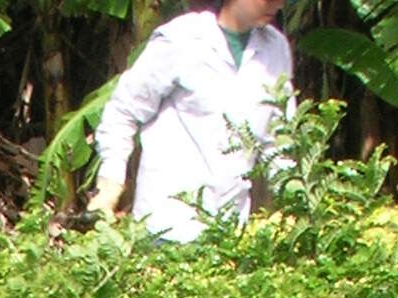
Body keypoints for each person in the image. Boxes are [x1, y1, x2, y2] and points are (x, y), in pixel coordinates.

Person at [90, 0, 292, 244]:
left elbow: (279, 139)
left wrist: (297, 198)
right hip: (164, 228)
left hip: (229, 233)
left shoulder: (276, 49)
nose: (278, 4)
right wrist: (110, 183)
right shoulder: (182, 40)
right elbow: (123, 111)